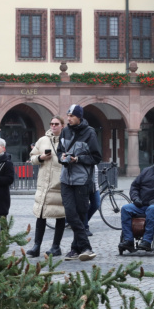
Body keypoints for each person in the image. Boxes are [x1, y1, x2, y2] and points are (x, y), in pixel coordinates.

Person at [57, 104, 102, 261]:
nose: (68, 118)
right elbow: (59, 151)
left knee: (81, 213)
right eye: (68, 115)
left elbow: (96, 157)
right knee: (70, 213)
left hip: (82, 179)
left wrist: (79, 159)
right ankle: (86, 247)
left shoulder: (90, 133)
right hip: (66, 179)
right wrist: (62, 158)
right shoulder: (65, 131)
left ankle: (75, 249)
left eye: (72, 116)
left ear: (79, 117)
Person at [117, 149, 154, 253]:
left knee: (152, 209)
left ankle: (147, 241)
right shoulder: (146, 171)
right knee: (125, 209)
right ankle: (128, 240)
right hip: (142, 204)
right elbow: (134, 186)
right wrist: (135, 198)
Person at [26, 116, 66, 258]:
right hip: (43, 184)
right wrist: (40, 158)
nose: (53, 126)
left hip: (59, 184)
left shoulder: (66, 140)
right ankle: (37, 246)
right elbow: (32, 158)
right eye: (51, 124)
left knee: (60, 215)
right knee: (40, 215)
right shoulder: (43, 140)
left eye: (56, 124)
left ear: (62, 125)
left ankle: (56, 246)